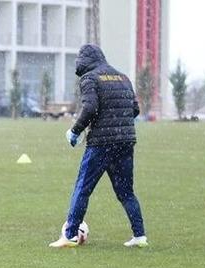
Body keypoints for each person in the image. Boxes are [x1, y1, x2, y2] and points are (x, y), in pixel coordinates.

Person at [50, 44, 147, 248]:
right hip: (125, 142)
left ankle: (70, 235)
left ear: (83, 61)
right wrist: (118, 123)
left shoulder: (90, 78)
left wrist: (75, 130)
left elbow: (90, 107)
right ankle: (140, 236)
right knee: (126, 192)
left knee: (83, 189)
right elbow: (135, 109)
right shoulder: (123, 77)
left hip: (102, 144)